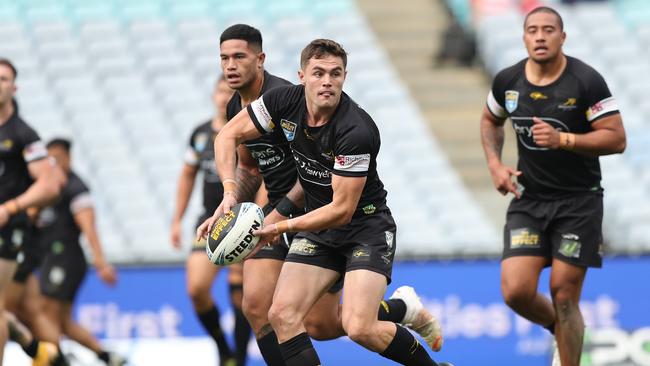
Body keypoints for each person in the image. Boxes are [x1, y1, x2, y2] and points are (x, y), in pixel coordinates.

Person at [201, 38, 449, 366]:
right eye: (319, 73)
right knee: (283, 314)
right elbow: (227, 135)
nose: (327, 81)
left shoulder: (355, 129)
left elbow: (341, 210)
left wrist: (281, 222)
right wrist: (230, 194)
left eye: (336, 74)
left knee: (358, 327)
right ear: (302, 76)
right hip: (318, 231)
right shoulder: (282, 101)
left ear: (345, 77)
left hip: (364, 229)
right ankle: (404, 309)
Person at [479, 6, 626, 366]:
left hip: (579, 203)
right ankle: (561, 330)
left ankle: (568, 351)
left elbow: (617, 139)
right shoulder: (508, 81)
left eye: (549, 30)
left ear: (563, 37)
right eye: (533, 30)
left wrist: (565, 140)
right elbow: (490, 119)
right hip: (529, 201)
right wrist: (496, 165)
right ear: (524, 37)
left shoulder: (585, 81)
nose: (540, 36)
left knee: (563, 295)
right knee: (515, 292)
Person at [170, 76, 248, 366]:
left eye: (230, 92)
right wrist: (176, 219)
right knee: (197, 289)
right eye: (220, 90)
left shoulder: (248, 130)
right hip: (208, 219)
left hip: (240, 217)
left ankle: (238, 359)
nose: (223, 96)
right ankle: (223, 349)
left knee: (241, 294)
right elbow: (188, 174)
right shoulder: (201, 133)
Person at [38, 138, 126, 366]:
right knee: (63, 321)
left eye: (57, 157)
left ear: (68, 157)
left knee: (47, 312)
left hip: (65, 259)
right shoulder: (49, 185)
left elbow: (89, 227)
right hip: (52, 258)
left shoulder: (75, 187)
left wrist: (101, 263)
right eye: (50, 158)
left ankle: (56, 359)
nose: (53, 162)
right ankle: (106, 356)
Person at [0, 58, 62, 366]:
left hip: (8, 231)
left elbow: (51, 184)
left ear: (14, 87)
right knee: (23, 309)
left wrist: (11, 208)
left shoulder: (23, 134)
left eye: (3, 78)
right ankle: (38, 349)